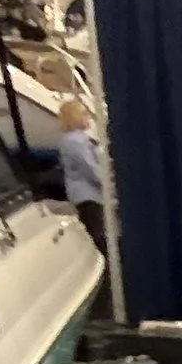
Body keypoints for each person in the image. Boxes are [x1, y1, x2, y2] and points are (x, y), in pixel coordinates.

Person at [58, 97, 107, 255]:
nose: (88, 118)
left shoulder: (77, 139)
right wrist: (109, 185)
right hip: (88, 196)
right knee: (102, 238)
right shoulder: (75, 141)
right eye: (84, 114)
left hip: (91, 195)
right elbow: (89, 167)